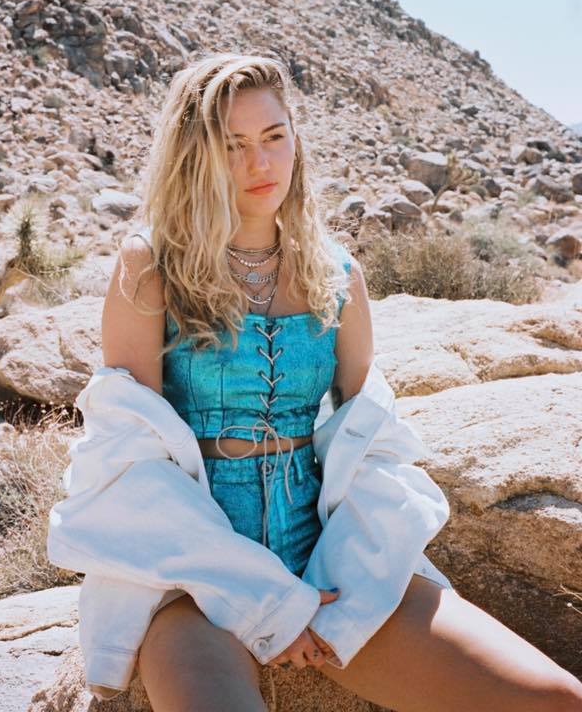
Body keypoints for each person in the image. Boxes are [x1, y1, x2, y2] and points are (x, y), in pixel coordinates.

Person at [100, 53, 582, 711]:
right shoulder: (151, 264)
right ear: (195, 154)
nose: (259, 163)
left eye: (274, 136)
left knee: (554, 698)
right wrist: (266, 602)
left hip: (322, 557)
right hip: (188, 574)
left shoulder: (336, 274)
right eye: (232, 145)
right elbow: (129, 460)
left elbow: (372, 445)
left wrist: (348, 578)